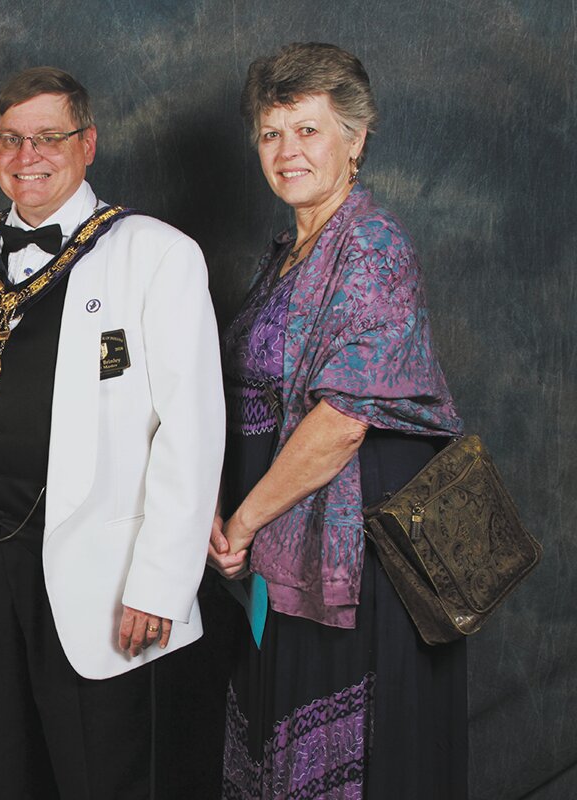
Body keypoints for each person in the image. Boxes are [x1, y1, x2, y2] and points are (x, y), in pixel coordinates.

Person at [0, 67, 225, 799]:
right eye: (11, 139)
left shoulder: (157, 253)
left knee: (99, 775)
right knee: (4, 774)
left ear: (87, 144)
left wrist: (160, 583)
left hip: (103, 568)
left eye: (49, 138)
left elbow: (192, 429)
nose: (27, 155)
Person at [208, 42, 468, 798]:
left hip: (356, 557)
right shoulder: (284, 252)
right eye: (271, 133)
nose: (288, 151)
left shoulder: (372, 244)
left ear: (356, 140)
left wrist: (246, 522)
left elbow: (343, 420)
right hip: (286, 546)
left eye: (309, 130)